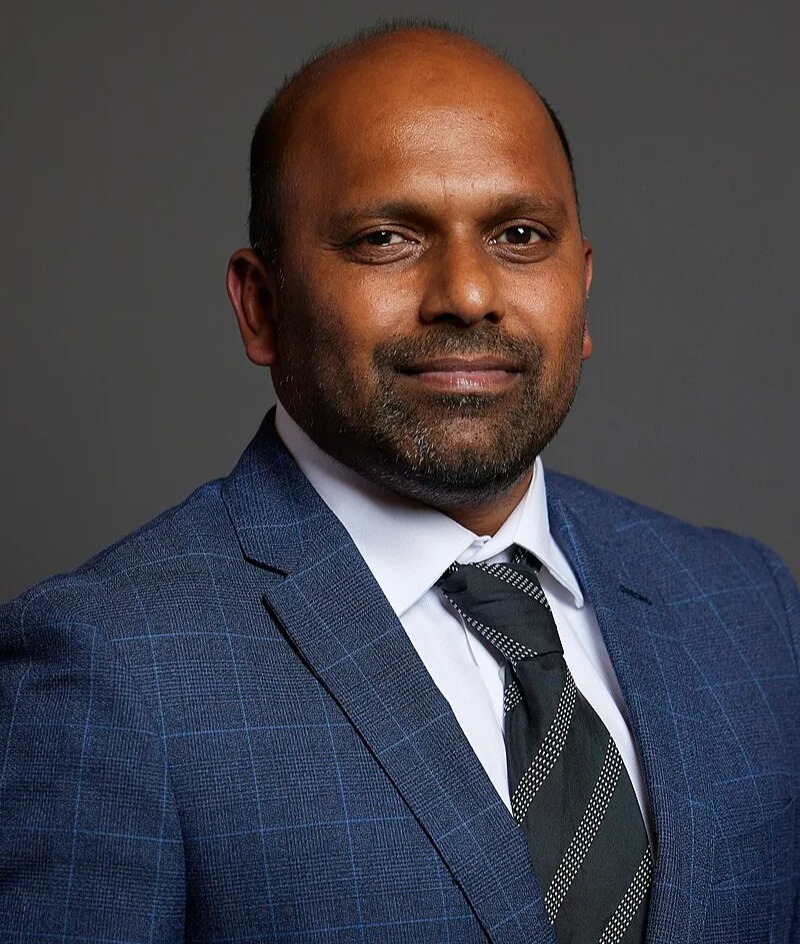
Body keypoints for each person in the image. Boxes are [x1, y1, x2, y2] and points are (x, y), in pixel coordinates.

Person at [0, 22, 797, 944]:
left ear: (582, 293)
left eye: (520, 234)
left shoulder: (749, 609)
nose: (466, 291)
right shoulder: (109, 669)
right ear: (262, 306)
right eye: (386, 237)